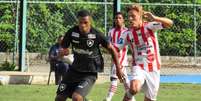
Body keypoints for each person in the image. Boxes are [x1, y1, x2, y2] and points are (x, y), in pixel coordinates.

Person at [55, 10, 122, 101]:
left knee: (76, 97)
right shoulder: (72, 32)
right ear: (77, 22)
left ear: (90, 21)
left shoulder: (96, 34)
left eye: (85, 22)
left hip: (89, 73)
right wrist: (63, 52)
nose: (83, 25)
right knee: (59, 98)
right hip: (74, 71)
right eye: (80, 22)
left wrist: (118, 68)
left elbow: (112, 49)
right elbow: (64, 48)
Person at [115, 4, 173, 101]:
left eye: (133, 16)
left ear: (140, 16)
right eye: (129, 16)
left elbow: (170, 23)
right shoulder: (126, 34)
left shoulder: (150, 26)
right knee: (134, 88)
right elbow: (115, 49)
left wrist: (154, 18)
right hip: (138, 66)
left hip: (154, 68)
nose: (130, 19)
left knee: (149, 99)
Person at [104, 12, 135, 101]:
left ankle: (108, 99)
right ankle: (132, 99)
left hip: (121, 60)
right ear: (114, 20)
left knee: (114, 79)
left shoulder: (127, 32)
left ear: (123, 20)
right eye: (116, 18)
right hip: (114, 59)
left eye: (120, 18)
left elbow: (131, 45)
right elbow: (108, 44)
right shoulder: (111, 31)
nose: (118, 20)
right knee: (125, 81)